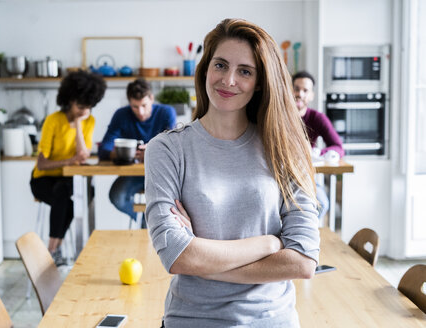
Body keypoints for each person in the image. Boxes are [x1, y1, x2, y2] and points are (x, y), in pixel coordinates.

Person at [145, 18, 320, 327]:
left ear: (261, 82)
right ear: (205, 69)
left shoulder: (287, 149)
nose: (228, 80)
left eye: (245, 71)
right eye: (221, 65)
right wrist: (270, 243)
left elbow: (303, 261)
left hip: (272, 321)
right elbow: (177, 256)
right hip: (192, 319)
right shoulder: (167, 149)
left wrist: (201, 258)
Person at [30, 70, 106, 266]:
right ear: (69, 100)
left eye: (87, 107)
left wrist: (79, 123)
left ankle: (54, 250)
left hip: (67, 179)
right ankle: (54, 250)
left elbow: (83, 155)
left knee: (84, 194)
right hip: (43, 178)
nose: (83, 110)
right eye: (80, 106)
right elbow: (42, 164)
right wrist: (70, 161)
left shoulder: (89, 120)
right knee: (63, 196)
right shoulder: (53, 120)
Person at [98, 78, 176, 228]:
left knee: (171, 203)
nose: (140, 112)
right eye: (134, 107)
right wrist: (123, 153)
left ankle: (154, 227)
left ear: (152, 99)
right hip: (133, 174)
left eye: (144, 105)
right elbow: (104, 149)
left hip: (161, 175)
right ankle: (146, 225)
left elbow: (173, 148)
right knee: (117, 197)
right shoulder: (121, 115)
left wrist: (152, 150)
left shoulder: (166, 113)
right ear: (128, 102)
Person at [292, 71, 344, 220]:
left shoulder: (317, 118)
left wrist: (317, 152)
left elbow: (338, 147)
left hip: (306, 175)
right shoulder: (279, 116)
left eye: (305, 90)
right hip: (280, 175)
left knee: (322, 203)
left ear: (311, 95)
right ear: (289, 90)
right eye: (296, 88)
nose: (300, 94)